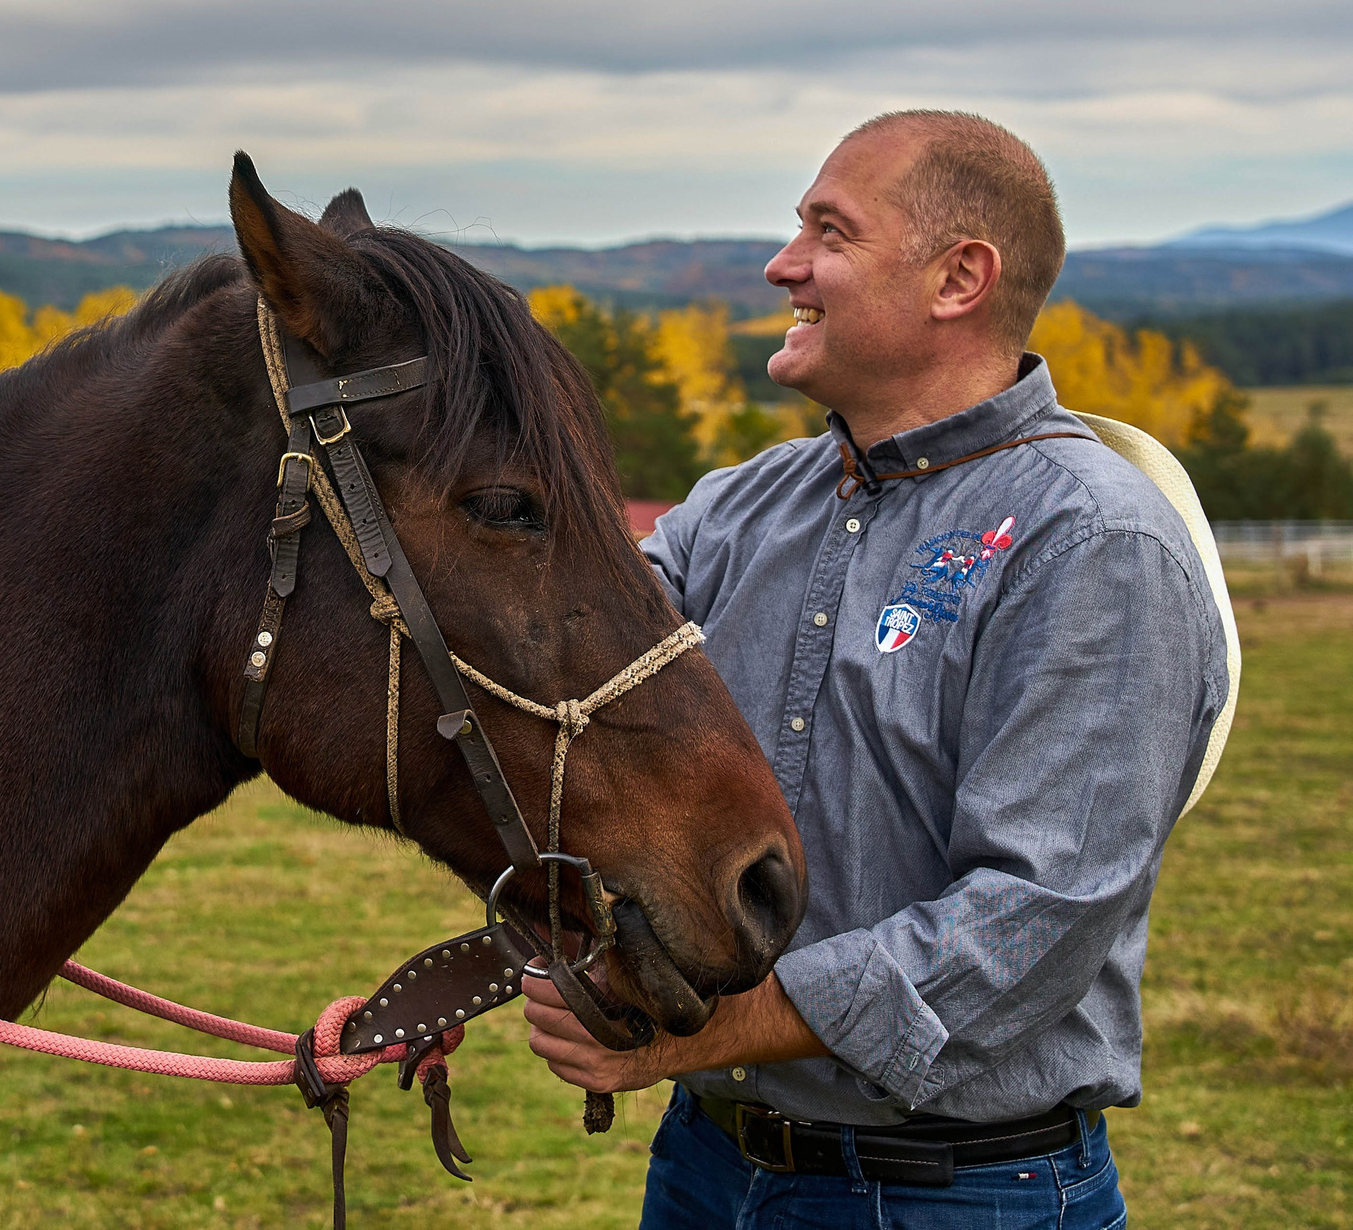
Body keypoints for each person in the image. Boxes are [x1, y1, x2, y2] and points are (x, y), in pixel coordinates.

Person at [520, 111, 1228, 1227]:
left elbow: (1030, 917)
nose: (780, 265)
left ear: (959, 279)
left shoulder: (1093, 541)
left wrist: (707, 1027)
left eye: (827, 232)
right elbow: (555, 676)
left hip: (962, 1195)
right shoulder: (739, 509)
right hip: (709, 1168)